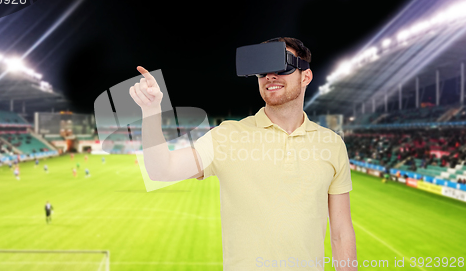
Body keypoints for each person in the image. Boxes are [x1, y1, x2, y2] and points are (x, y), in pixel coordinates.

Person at [130, 37, 356, 271]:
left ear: (305, 76)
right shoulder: (227, 135)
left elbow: (341, 232)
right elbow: (161, 170)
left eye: (283, 66)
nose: (270, 76)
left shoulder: (332, 144)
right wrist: (151, 111)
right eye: (262, 70)